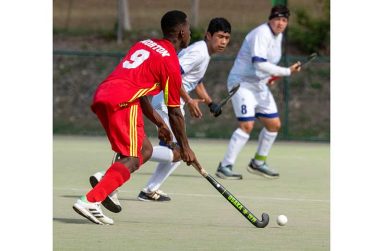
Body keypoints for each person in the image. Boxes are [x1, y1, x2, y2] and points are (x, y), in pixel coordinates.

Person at [73, 10, 199, 225]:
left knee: (145, 150)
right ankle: (91, 200)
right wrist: (185, 147)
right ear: (180, 31)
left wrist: (159, 123)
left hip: (104, 94)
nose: (189, 33)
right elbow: (175, 111)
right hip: (123, 101)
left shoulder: (144, 44)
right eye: (187, 29)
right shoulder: (170, 62)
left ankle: (108, 185)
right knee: (133, 157)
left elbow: (141, 94)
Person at [89, 17, 231, 207]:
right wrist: (188, 100)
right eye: (220, 36)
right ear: (208, 35)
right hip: (168, 102)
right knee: (175, 151)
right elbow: (175, 75)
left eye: (226, 38)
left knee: (173, 152)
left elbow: (194, 81)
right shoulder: (199, 52)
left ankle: (145, 188)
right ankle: (114, 179)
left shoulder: (203, 54)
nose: (223, 42)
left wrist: (209, 101)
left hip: (167, 100)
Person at [215, 5, 301, 180]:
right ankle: (225, 166)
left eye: (284, 20)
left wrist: (269, 76)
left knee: (274, 125)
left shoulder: (279, 36)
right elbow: (259, 64)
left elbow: (265, 67)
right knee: (247, 125)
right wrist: (286, 71)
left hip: (258, 86)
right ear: (270, 19)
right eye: (277, 19)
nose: (280, 23)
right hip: (242, 84)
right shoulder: (262, 33)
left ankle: (258, 163)